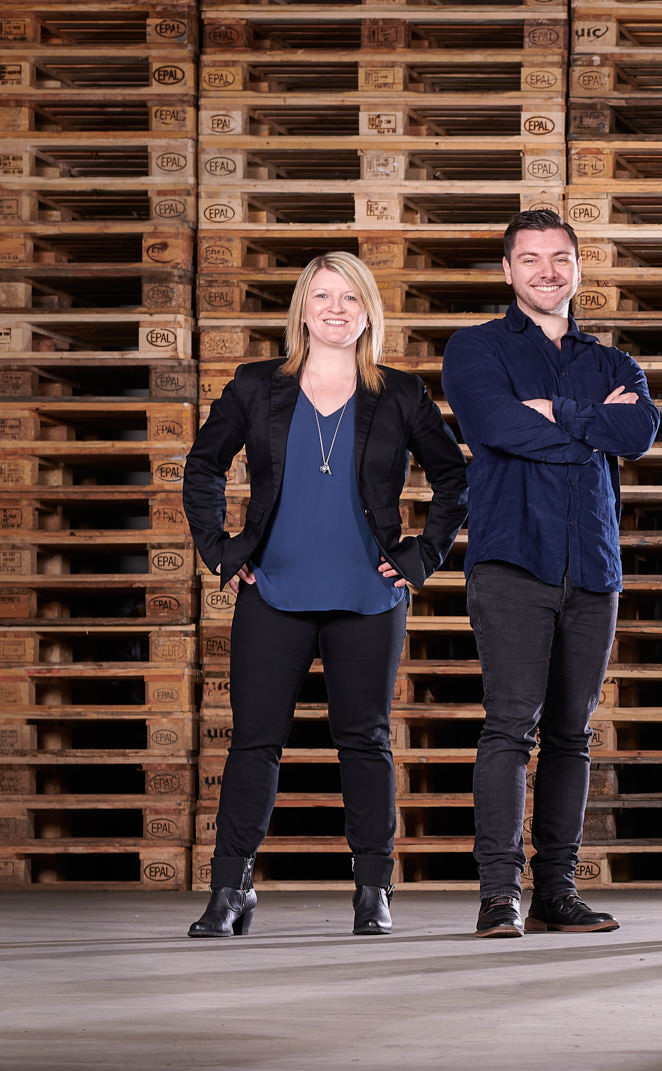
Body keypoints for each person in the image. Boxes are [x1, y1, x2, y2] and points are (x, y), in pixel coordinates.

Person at [181, 251, 468, 938]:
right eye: (322, 297)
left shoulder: (399, 394)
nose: (336, 309)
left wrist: (422, 556)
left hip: (367, 600)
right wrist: (222, 551)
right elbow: (203, 466)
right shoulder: (255, 387)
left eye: (349, 298)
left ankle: (373, 890)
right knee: (253, 743)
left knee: (365, 742)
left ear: (369, 309)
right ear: (302, 309)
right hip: (273, 590)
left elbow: (455, 479)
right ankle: (230, 889)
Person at [442, 209, 659, 938]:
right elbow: (495, 428)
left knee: (572, 734)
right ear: (508, 271)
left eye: (559, 257)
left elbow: (640, 433)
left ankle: (556, 894)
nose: (546, 271)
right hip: (512, 562)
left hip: (593, 567)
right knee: (510, 727)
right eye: (529, 259)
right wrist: (590, 425)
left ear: (576, 267)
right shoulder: (475, 350)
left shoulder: (612, 363)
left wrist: (557, 413)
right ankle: (499, 894)